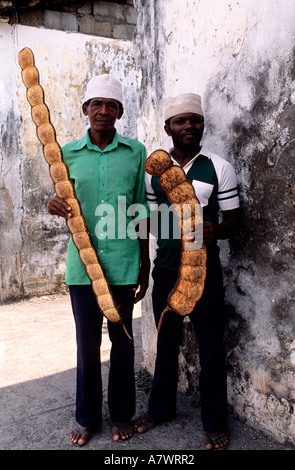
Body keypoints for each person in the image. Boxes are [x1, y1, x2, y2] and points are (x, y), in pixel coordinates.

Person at [47, 74, 150, 446]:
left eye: (111, 105)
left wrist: (145, 264)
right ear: (86, 110)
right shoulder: (66, 153)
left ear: (119, 112)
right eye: (96, 105)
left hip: (123, 263)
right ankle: (87, 416)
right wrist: (53, 204)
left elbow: (140, 209)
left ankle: (122, 413)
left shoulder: (135, 152)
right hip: (83, 268)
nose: (103, 111)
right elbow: (60, 197)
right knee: (86, 344)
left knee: (122, 343)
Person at [135, 93, 240, 450]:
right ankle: (159, 410)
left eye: (194, 120)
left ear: (202, 125)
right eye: (180, 121)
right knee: (166, 344)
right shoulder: (154, 174)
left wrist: (218, 230)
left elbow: (233, 220)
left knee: (211, 349)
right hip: (165, 271)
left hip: (205, 275)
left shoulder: (219, 167)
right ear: (168, 128)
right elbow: (149, 220)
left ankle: (214, 423)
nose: (188, 127)